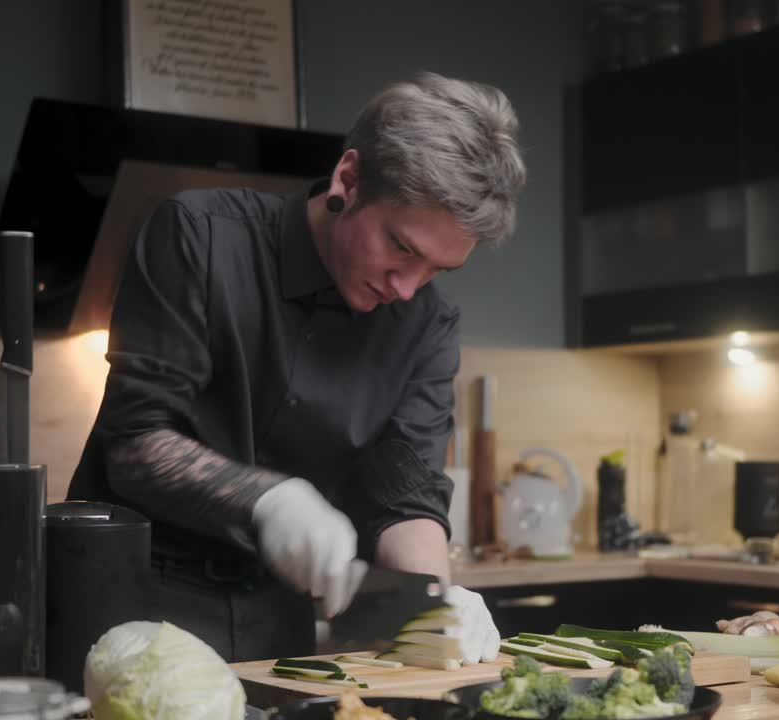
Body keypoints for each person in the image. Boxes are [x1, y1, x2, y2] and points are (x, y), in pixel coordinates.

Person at [68, 71, 527, 662]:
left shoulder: (426, 325)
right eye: (403, 248)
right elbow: (134, 444)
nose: (407, 288)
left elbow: (406, 496)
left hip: (277, 619)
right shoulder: (198, 237)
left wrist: (436, 605)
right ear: (349, 180)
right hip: (133, 602)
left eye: (438, 269)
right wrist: (269, 498)